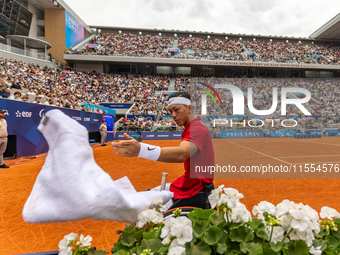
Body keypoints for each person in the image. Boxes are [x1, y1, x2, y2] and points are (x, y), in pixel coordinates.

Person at [112, 92, 214, 211]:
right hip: (188, 186)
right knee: (144, 198)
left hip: (194, 190)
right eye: (170, 111)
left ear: (189, 108)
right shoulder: (193, 127)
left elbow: (182, 153)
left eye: (176, 109)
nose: (173, 115)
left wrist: (141, 149)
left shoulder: (196, 129)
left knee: (146, 213)